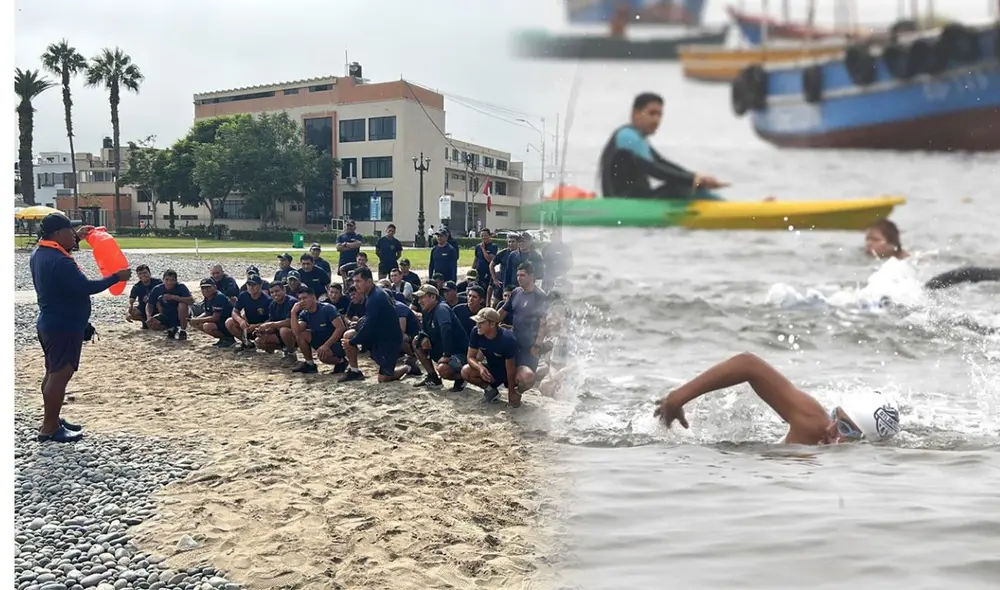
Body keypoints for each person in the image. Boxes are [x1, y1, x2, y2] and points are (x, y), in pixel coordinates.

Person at [30, 213, 132, 442]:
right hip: (63, 326)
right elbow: (85, 286)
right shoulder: (59, 260)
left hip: (51, 322)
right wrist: (116, 277)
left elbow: (66, 264)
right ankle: (49, 428)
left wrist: (78, 238)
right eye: (70, 230)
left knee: (52, 373)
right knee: (60, 375)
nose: (73, 235)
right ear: (57, 234)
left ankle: (52, 420)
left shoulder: (41, 252)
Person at [654, 352, 902, 445]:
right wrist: (678, 398)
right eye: (836, 416)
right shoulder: (813, 423)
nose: (831, 428)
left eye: (845, 428)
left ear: (865, 444)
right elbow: (748, 364)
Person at [600, 92, 726, 199]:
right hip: (625, 203)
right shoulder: (626, 137)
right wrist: (692, 180)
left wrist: (696, 177)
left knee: (684, 185)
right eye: (652, 113)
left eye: (659, 115)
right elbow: (655, 170)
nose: (656, 120)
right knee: (680, 187)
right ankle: (725, 209)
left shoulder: (637, 138)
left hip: (638, 198)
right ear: (636, 114)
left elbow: (662, 163)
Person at [340, 267, 408, 383]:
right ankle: (354, 371)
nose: (355, 285)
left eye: (358, 281)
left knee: (383, 378)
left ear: (369, 281)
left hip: (388, 341)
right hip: (377, 335)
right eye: (354, 281)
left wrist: (353, 342)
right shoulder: (371, 294)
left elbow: (369, 326)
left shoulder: (376, 297)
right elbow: (370, 321)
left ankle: (408, 367)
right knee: (348, 335)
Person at [499, 262, 549, 393]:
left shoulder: (541, 296)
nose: (519, 278)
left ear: (531, 276)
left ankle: (517, 393)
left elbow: (543, 323)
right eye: (517, 275)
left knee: (527, 378)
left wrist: (537, 345)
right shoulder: (516, 292)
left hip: (530, 345)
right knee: (508, 374)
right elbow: (503, 311)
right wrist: (489, 320)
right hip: (514, 341)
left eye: (522, 275)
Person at [412, 284, 468, 391]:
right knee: (416, 341)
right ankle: (432, 377)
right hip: (440, 348)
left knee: (443, 369)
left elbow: (446, 330)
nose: (419, 301)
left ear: (433, 297)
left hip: (458, 352)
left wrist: (446, 355)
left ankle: (461, 377)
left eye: (422, 297)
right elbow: (423, 330)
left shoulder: (442, 309)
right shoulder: (426, 311)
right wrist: (423, 337)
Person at [461, 308, 520, 405]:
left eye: (481, 323)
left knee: (526, 378)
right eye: (477, 322)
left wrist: (511, 393)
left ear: (492, 324)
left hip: (511, 370)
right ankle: (491, 391)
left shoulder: (507, 339)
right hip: (493, 369)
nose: (477, 325)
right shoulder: (476, 332)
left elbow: (510, 370)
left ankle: (517, 393)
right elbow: (470, 357)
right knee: (465, 371)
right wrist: (480, 368)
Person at [287, 286, 348, 374]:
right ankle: (310, 364)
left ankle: (341, 361)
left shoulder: (327, 308)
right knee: (301, 334)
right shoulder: (304, 313)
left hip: (336, 342)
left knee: (324, 357)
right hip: (320, 340)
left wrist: (326, 345)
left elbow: (341, 328)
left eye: (305, 298)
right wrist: (293, 313)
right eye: (300, 299)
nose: (302, 301)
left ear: (313, 297)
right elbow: (296, 332)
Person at [226, 275, 271, 351]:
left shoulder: (267, 300)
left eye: (254, 285)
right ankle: (247, 344)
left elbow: (271, 320)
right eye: (249, 284)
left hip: (262, 327)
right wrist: (241, 321)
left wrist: (256, 326)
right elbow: (235, 311)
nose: (251, 287)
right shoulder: (243, 295)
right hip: (247, 325)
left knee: (264, 343)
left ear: (260, 285)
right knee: (229, 322)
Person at [146, 269, 195, 340]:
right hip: (166, 313)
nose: (169, 282)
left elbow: (191, 301)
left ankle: (183, 330)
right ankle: (171, 329)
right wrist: (149, 316)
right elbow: (149, 304)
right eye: (167, 280)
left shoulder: (181, 287)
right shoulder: (157, 289)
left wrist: (174, 297)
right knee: (152, 324)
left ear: (176, 281)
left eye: (172, 280)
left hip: (181, 314)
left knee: (182, 305)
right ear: (163, 280)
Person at [254, 283, 298, 359]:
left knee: (284, 330)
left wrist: (270, 325)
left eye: (277, 291)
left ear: (284, 290)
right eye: (272, 292)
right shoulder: (273, 304)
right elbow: (271, 320)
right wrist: (262, 329)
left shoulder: (292, 302)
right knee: (259, 341)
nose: (275, 294)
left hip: (295, 332)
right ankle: (284, 349)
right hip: (279, 332)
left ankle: (291, 352)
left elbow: (290, 322)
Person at [189, 278, 237, 348]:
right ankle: (223, 339)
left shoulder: (219, 297)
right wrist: (195, 319)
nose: (205, 290)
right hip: (220, 322)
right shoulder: (207, 298)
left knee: (207, 326)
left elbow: (215, 318)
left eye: (208, 287)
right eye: (203, 288)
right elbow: (207, 312)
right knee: (198, 323)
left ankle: (228, 338)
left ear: (214, 287)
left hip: (226, 323)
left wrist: (198, 320)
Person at [126, 264, 161, 329]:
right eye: (140, 274)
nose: (143, 275)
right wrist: (127, 313)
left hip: (158, 307)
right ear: (138, 276)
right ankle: (145, 322)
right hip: (144, 310)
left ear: (149, 273)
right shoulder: (136, 287)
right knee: (133, 312)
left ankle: (163, 320)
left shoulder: (158, 283)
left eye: (145, 273)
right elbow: (131, 303)